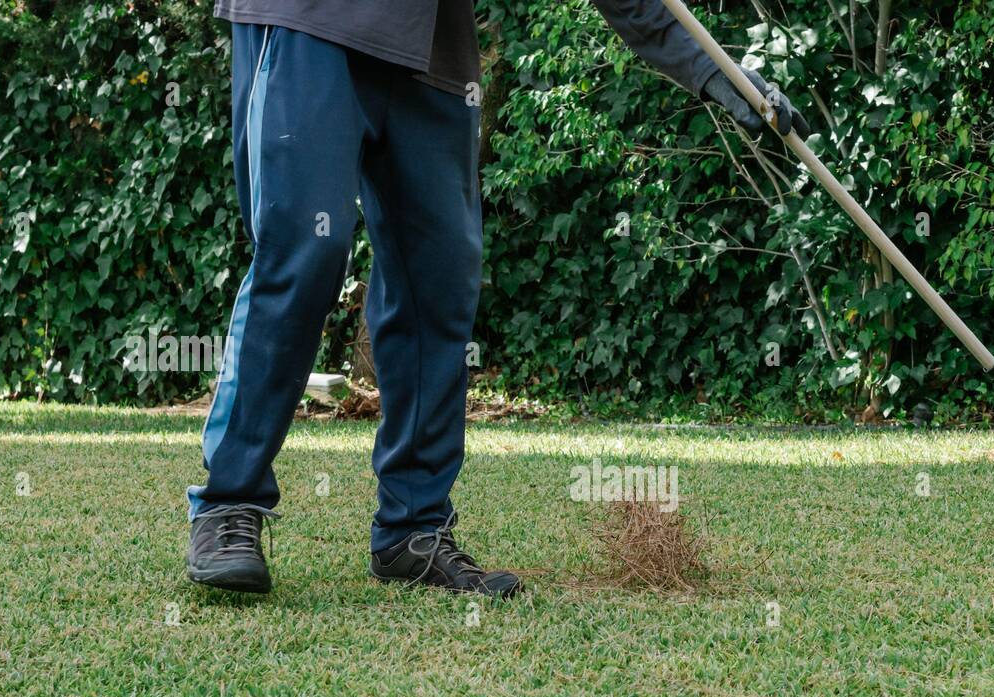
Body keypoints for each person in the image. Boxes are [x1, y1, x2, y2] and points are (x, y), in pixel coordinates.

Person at [187, 0, 809, 597]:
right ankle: (229, 503)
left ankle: (414, 528)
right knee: (305, 251)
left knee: (439, 280)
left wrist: (712, 72)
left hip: (434, 50)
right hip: (310, 22)